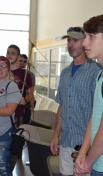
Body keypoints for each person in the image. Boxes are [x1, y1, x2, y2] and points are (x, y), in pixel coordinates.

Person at [49, 26, 102, 176]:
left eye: (76, 40)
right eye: (69, 40)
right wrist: (55, 135)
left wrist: (88, 149)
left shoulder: (96, 72)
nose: (71, 44)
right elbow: (62, 106)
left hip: (87, 146)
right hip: (66, 142)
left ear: (85, 42)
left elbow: (98, 113)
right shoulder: (65, 73)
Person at [74, 15, 103, 176]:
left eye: (91, 36)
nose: (85, 43)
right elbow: (95, 118)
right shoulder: (100, 75)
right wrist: (82, 153)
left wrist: (87, 164)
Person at [6, 45, 33, 127]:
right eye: (8, 53)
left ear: (18, 56)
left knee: (17, 138)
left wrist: (25, 100)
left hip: (18, 114)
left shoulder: (25, 74)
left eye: (13, 53)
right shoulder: (1, 71)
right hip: (2, 112)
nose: (9, 55)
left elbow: (30, 93)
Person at [18, 54, 36, 124]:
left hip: (25, 101)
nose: (22, 63)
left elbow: (31, 91)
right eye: (20, 61)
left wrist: (31, 106)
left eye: (24, 62)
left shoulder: (30, 75)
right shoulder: (11, 72)